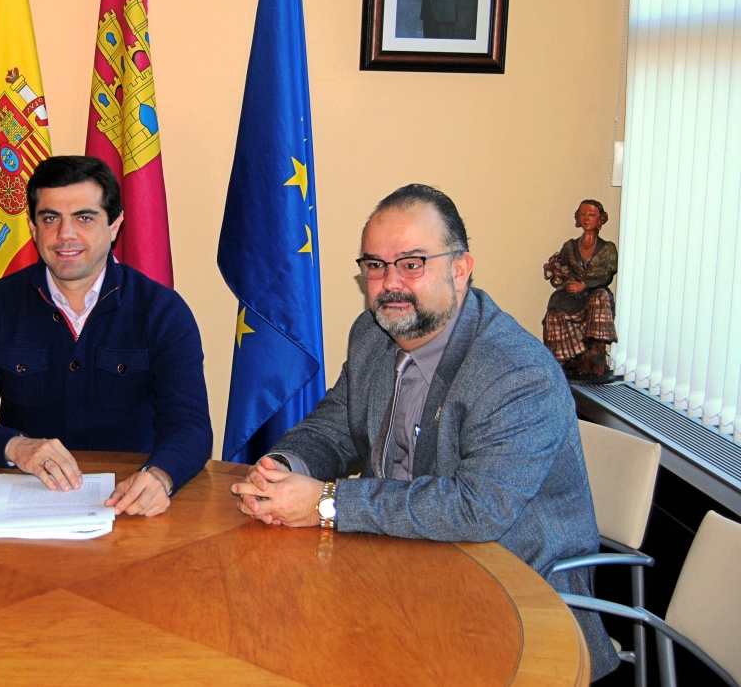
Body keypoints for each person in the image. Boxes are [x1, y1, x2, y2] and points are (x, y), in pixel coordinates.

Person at [231, 184, 618, 681]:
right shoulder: (373, 334)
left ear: (460, 269)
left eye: (412, 264)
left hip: (516, 600)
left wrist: (327, 502)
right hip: (398, 569)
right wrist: (283, 469)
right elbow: (336, 426)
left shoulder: (516, 371)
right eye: (375, 265)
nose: (389, 282)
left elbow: (477, 508)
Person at [0, 156, 211, 517]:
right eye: (50, 219)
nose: (65, 235)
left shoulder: (162, 310)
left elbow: (191, 426)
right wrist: (15, 447)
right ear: (33, 227)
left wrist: (160, 476)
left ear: (115, 225)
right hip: (26, 502)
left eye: (84, 218)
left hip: (130, 502)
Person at [543, 199, 618, 379]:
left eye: (591, 215)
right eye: (583, 214)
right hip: (573, 296)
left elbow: (607, 277)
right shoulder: (569, 246)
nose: (586, 218)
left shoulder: (608, 248)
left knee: (601, 298)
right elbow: (562, 268)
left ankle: (594, 359)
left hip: (593, 292)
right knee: (555, 308)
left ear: (600, 220)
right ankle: (563, 358)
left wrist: (584, 285)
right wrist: (563, 281)